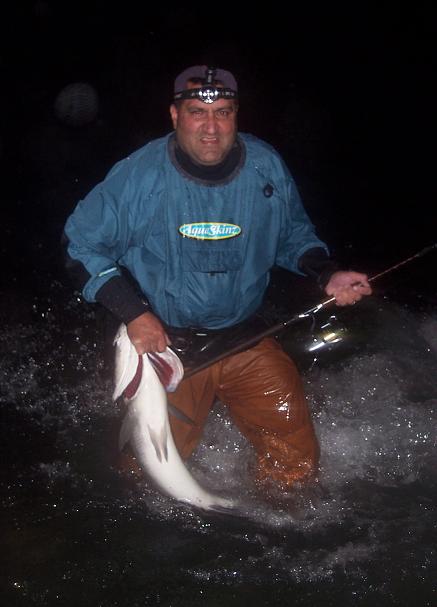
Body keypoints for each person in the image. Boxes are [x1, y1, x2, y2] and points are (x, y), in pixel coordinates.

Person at [62, 65, 371, 491]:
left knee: (295, 464)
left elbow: (292, 235)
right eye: (197, 113)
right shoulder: (140, 176)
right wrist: (134, 314)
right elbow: (80, 245)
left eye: (223, 112)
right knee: (144, 479)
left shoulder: (265, 166)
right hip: (168, 346)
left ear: (236, 115)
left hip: (245, 336)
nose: (211, 127)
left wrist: (328, 274)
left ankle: (281, 519)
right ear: (175, 115)